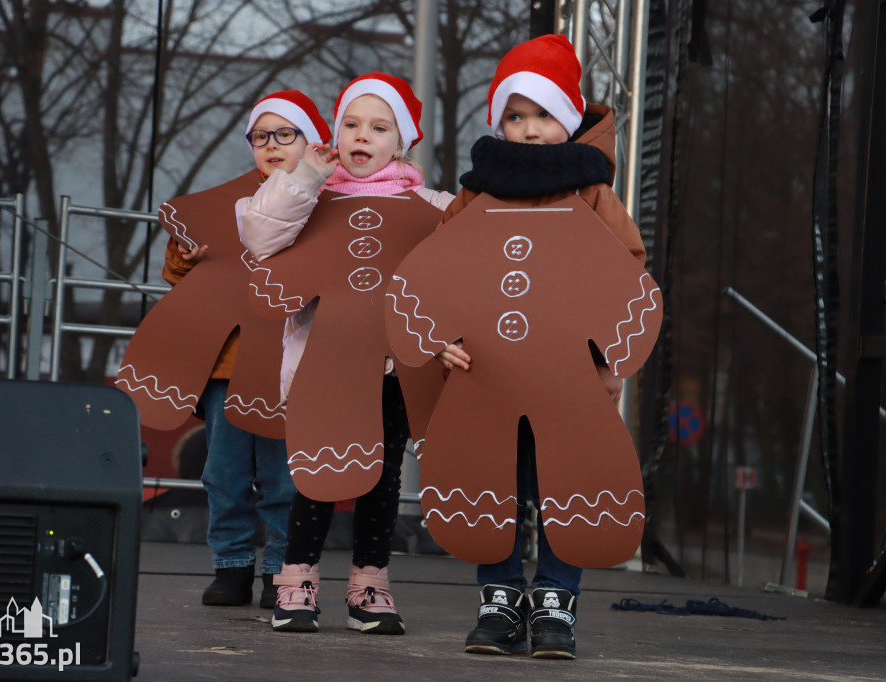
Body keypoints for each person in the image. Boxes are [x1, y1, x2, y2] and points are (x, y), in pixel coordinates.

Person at [433, 35, 647, 659]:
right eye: (514, 116)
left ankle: (556, 602)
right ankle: (498, 600)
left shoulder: (591, 194)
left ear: (571, 120)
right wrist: (442, 338)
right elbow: (440, 273)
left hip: (567, 379)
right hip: (490, 376)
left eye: (544, 114)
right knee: (494, 485)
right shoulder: (477, 194)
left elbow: (626, 272)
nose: (527, 130)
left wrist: (609, 359)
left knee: (563, 486)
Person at [237, 73, 454, 635]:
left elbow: (462, 275)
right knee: (317, 477)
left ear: (401, 142)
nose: (363, 136)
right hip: (323, 365)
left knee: (381, 480)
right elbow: (260, 236)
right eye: (351, 125)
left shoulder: (431, 207)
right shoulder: (312, 197)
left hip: (394, 369)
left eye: (379, 127)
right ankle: (297, 580)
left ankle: (370, 585)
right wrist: (306, 172)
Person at [161, 90, 332, 609]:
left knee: (285, 475)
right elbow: (180, 274)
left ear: (312, 143)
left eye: (287, 134)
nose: (273, 146)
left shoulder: (328, 206)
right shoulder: (226, 203)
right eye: (262, 136)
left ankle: (281, 572)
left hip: (290, 364)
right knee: (225, 471)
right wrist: (188, 255)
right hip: (228, 363)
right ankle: (231, 566)